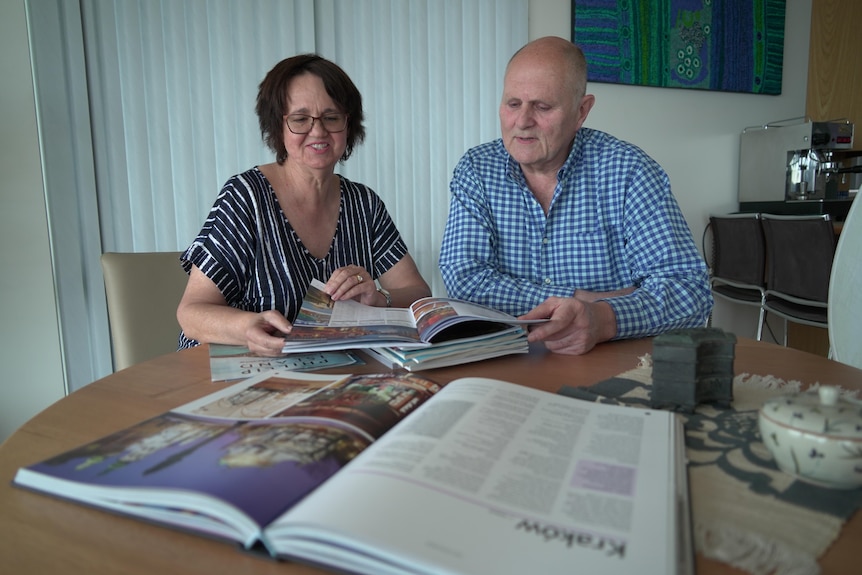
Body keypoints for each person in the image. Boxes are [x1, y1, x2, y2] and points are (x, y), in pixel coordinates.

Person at [439, 37, 712, 355]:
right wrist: (583, 299)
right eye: (513, 104)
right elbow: (464, 279)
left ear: (581, 111)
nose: (523, 121)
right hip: (509, 357)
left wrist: (603, 319)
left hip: (613, 358)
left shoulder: (629, 171)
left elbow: (690, 291)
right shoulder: (477, 169)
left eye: (542, 106)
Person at [177, 54, 430, 356]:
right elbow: (191, 313)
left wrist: (380, 299)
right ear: (278, 127)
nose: (319, 131)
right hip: (230, 371)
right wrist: (247, 327)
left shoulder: (364, 204)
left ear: (348, 124)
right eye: (300, 119)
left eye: (331, 117)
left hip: (325, 371)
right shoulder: (246, 196)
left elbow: (418, 294)